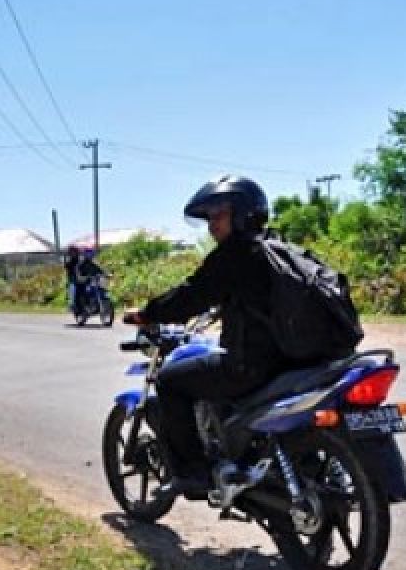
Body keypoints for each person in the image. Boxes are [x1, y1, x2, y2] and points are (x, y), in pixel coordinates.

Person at [122, 175, 289, 496]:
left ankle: (193, 473)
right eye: (209, 217)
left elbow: (193, 294)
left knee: (170, 380)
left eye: (218, 215)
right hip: (290, 361)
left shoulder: (235, 253)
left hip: (252, 365)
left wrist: (149, 313)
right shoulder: (278, 249)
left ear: (242, 214)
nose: (212, 226)